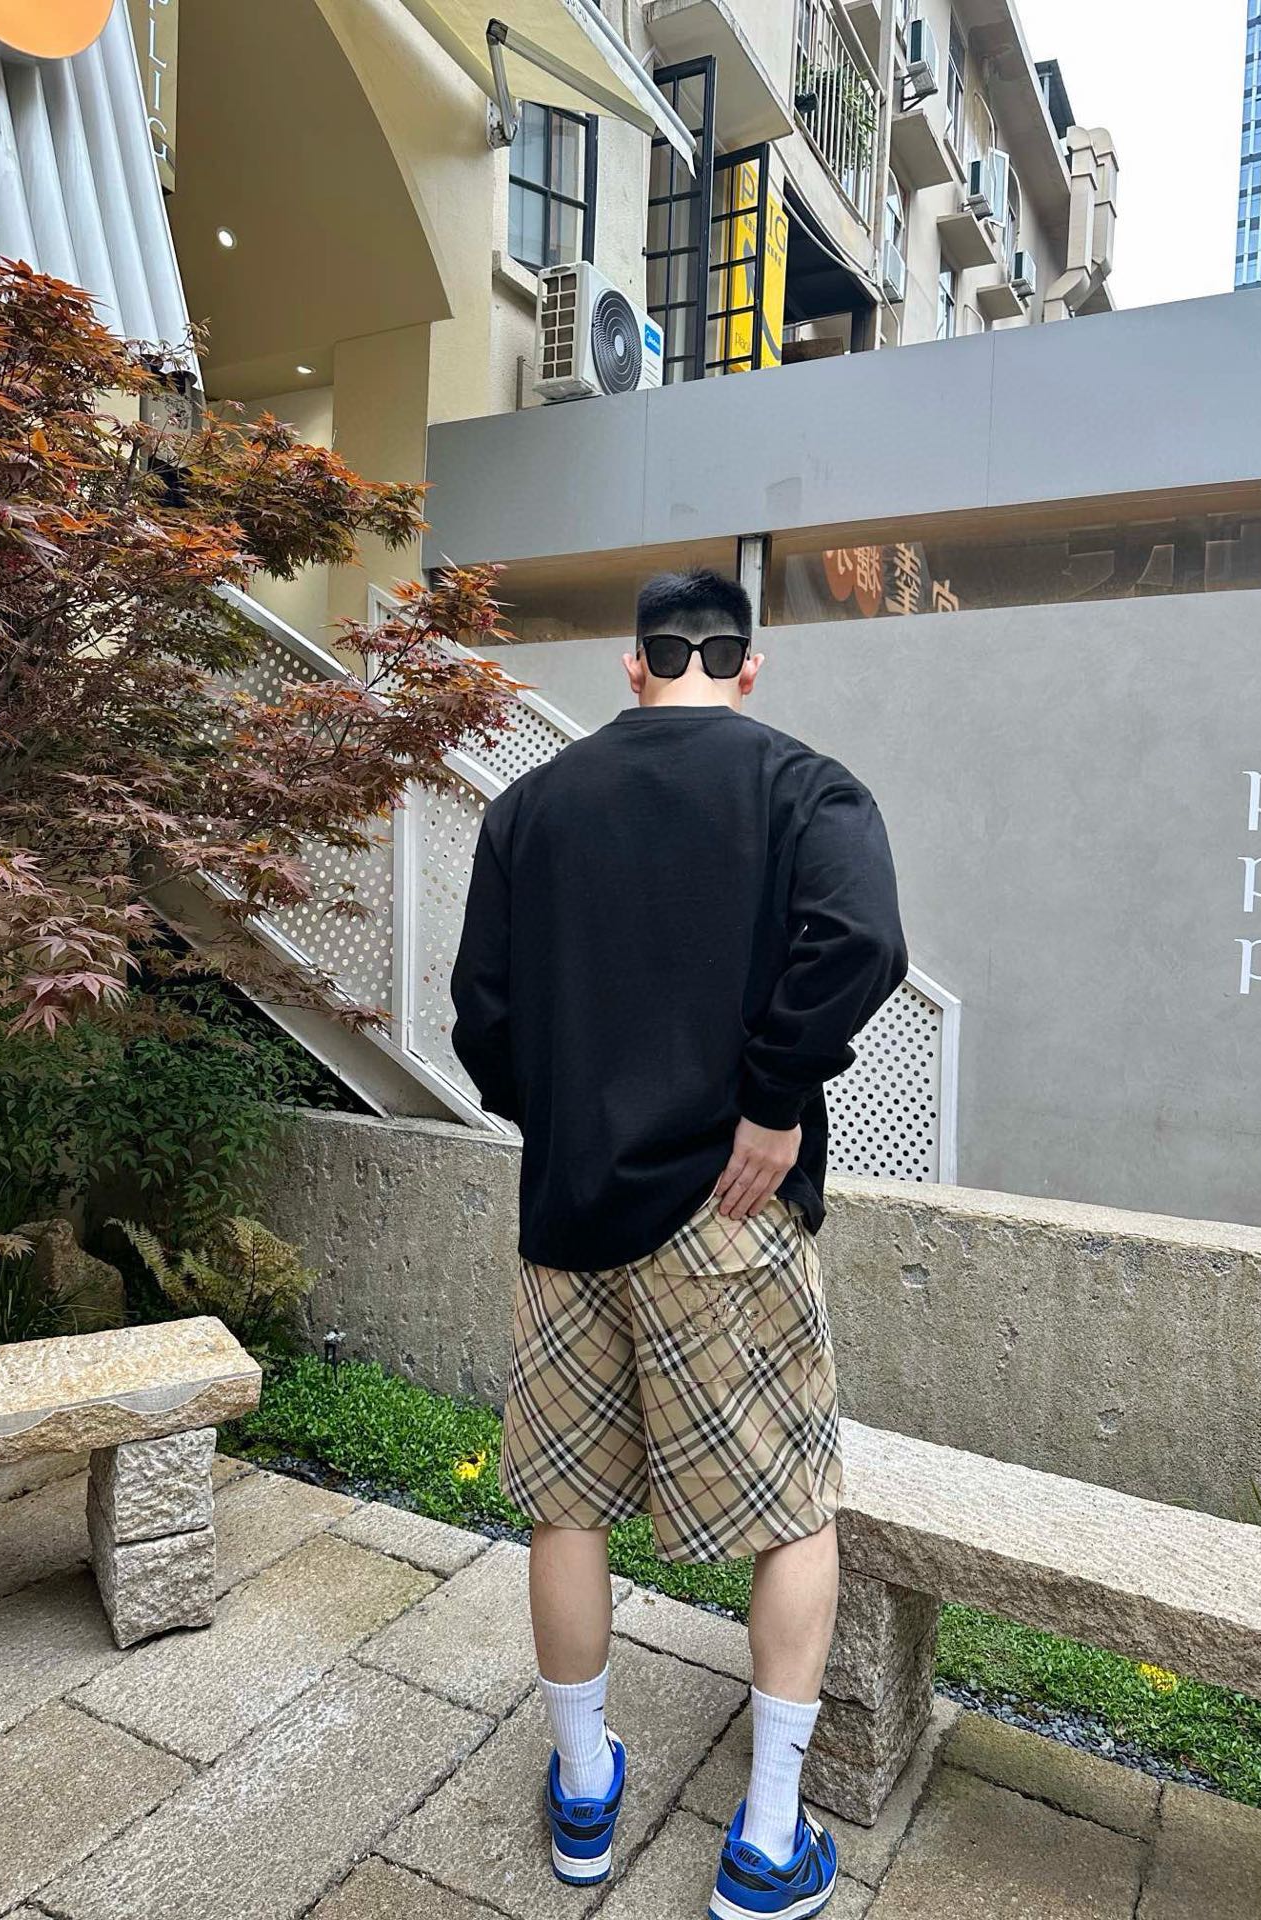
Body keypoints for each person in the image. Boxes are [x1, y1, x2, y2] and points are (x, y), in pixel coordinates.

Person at [449, 567, 907, 1920]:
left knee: (567, 1503)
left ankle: (585, 1791)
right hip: (733, 1213)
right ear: (744, 665)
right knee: (792, 1509)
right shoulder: (805, 788)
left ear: (634, 661)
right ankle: (766, 1844)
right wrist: (773, 1098)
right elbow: (862, 940)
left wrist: (566, 1116)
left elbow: (482, 1017)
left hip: (570, 1214)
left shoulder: (531, 807)